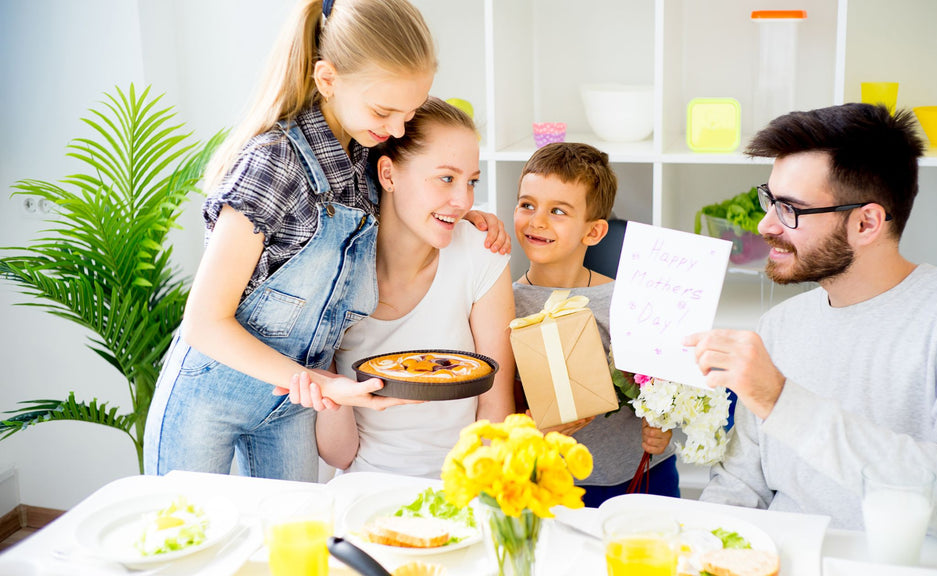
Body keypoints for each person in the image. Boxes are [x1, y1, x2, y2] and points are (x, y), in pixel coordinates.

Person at [144, 0, 509, 481]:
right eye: (386, 110)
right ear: (328, 79)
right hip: (213, 398)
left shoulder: (364, 154)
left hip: (294, 404)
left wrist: (461, 211)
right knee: (188, 540)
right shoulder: (273, 162)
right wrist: (317, 382)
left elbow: (414, 194)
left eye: (410, 112)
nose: (397, 129)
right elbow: (204, 324)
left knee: (291, 546)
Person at [687, 103, 937, 543]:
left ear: (866, 223)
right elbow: (739, 488)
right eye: (770, 200)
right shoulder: (778, 326)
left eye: (790, 209)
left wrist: (782, 401)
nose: (766, 225)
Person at [293, 97, 516, 478]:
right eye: (446, 178)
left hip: (465, 484)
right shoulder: (337, 269)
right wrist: (331, 391)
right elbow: (339, 454)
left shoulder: (481, 255)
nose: (463, 201)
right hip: (367, 488)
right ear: (388, 174)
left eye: (471, 182)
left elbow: (495, 412)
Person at [511, 142, 678, 507]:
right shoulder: (501, 305)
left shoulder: (628, 302)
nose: (537, 220)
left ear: (594, 232)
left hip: (642, 476)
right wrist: (530, 428)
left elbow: (666, 389)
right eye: (527, 205)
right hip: (547, 485)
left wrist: (663, 425)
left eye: (558, 211)